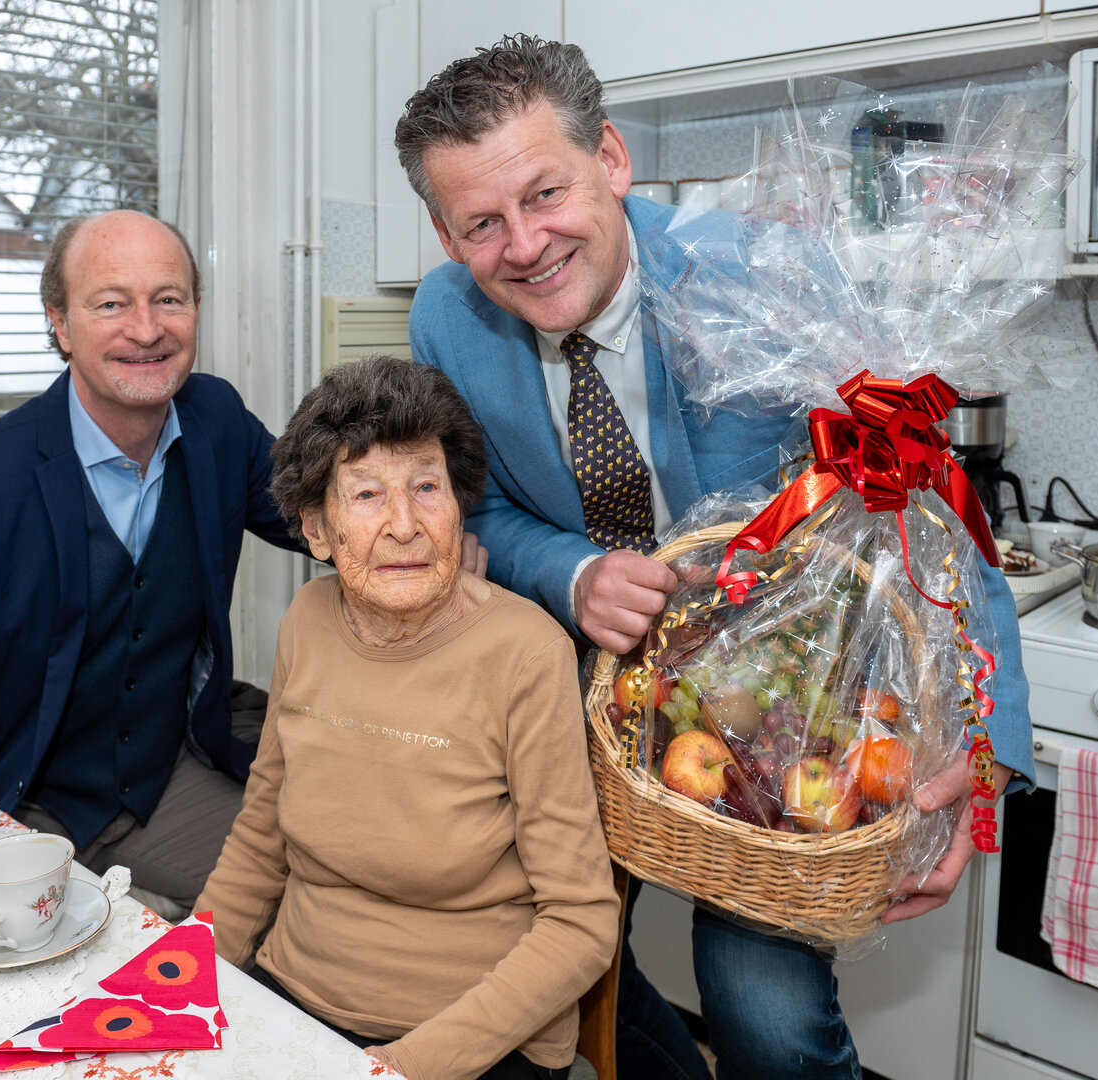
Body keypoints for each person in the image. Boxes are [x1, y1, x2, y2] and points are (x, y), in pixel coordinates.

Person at [394, 35, 1036, 1080]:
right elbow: (478, 514)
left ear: (610, 158)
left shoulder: (762, 274)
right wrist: (572, 573)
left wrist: (985, 743)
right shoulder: (444, 320)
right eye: (482, 223)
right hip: (584, 699)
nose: (525, 244)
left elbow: (925, 498)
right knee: (535, 956)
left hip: (791, 704)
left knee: (766, 1017)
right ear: (444, 232)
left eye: (545, 193)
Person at [0, 211, 303, 913]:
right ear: (60, 324)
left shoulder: (216, 420)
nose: (146, 330)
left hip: (164, 778)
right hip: (22, 801)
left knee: (308, 901)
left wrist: (438, 530)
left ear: (196, 308)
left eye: (168, 298)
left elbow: (323, 517)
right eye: (111, 304)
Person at [196, 355, 620, 1080]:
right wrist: (176, 975)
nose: (404, 526)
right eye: (366, 495)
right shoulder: (306, 619)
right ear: (317, 531)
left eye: (426, 488)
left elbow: (580, 922)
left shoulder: (526, 652)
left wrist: (403, 1066)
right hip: (293, 993)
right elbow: (261, 838)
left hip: (466, 1037)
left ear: (459, 506)